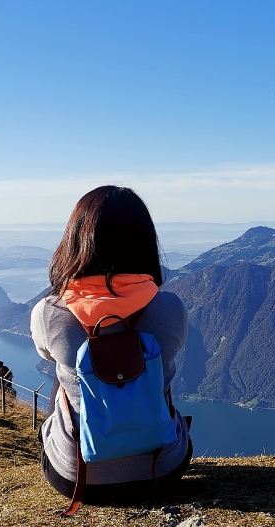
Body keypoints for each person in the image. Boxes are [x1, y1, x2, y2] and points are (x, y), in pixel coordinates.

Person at [31, 185, 192, 505]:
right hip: (161, 469)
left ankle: (85, 448)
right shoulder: (170, 308)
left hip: (76, 477)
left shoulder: (51, 311)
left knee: (66, 374)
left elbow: (44, 353)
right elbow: (175, 346)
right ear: (145, 241)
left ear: (74, 241)